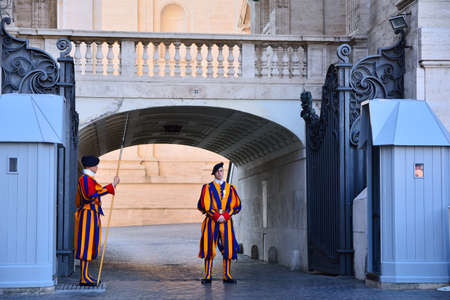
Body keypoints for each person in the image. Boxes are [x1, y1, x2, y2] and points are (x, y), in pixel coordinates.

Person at [74, 155, 120, 286]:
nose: (97, 167)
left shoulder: (89, 180)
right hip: (87, 214)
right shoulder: (85, 180)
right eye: (95, 165)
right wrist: (112, 186)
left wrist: (111, 186)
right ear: (90, 166)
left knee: (90, 243)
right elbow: (90, 195)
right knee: (85, 244)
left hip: (92, 214)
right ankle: (83, 277)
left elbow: (97, 191)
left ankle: (86, 274)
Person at [197, 162, 242, 284]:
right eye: (217, 171)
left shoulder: (230, 188)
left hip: (226, 222)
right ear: (214, 173)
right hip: (211, 221)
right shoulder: (208, 187)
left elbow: (236, 205)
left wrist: (225, 216)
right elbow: (206, 205)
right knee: (209, 247)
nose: (220, 173)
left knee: (228, 248)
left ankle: (227, 275)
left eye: (221, 171)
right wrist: (217, 216)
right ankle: (207, 275)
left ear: (223, 172)